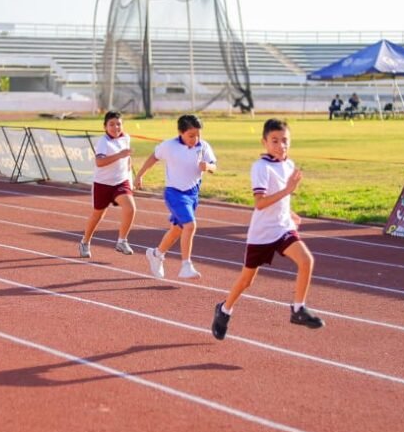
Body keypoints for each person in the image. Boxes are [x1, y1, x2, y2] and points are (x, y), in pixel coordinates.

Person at [210, 118, 324, 340]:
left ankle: (298, 309)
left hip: (283, 228)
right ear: (264, 142)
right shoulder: (260, 167)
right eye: (275, 141)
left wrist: (289, 213)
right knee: (247, 281)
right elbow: (260, 203)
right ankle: (224, 310)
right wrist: (288, 190)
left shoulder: (289, 165)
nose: (281, 145)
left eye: (285, 141)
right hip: (262, 233)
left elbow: (282, 198)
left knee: (306, 260)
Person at [133, 114, 216, 280]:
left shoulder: (203, 146)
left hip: (193, 193)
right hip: (174, 193)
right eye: (191, 135)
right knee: (190, 225)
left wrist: (208, 166)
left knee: (178, 229)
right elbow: (153, 158)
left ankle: (156, 254)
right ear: (181, 132)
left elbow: (214, 166)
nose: (195, 138)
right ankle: (186, 265)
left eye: (198, 134)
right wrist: (139, 175)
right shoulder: (169, 146)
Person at [78, 110, 136, 259]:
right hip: (103, 184)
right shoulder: (103, 142)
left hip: (120, 182)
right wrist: (119, 155)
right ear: (105, 127)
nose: (115, 127)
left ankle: (122, 241)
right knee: (98, 214)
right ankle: (85, 241)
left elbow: (128, 160)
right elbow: (99, 162)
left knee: (130, 208)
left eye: (118, 124)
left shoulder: (126, 138)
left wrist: (131, 178)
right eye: (111, 124)